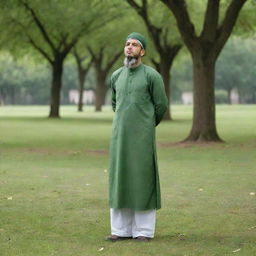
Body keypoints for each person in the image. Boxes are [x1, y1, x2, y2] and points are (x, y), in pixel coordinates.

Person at [106, 32, 168, 242]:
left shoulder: (152, 76)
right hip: (120, 138)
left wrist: (146, 124)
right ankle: (120, 230)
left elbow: (161, 106)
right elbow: (115, 103)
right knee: (120, 179)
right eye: (127, 44)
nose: (130, 47)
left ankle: (143, 231)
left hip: (142, 138)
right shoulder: (116, 76)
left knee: (142, 179)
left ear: (142, 51)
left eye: (134, 45)